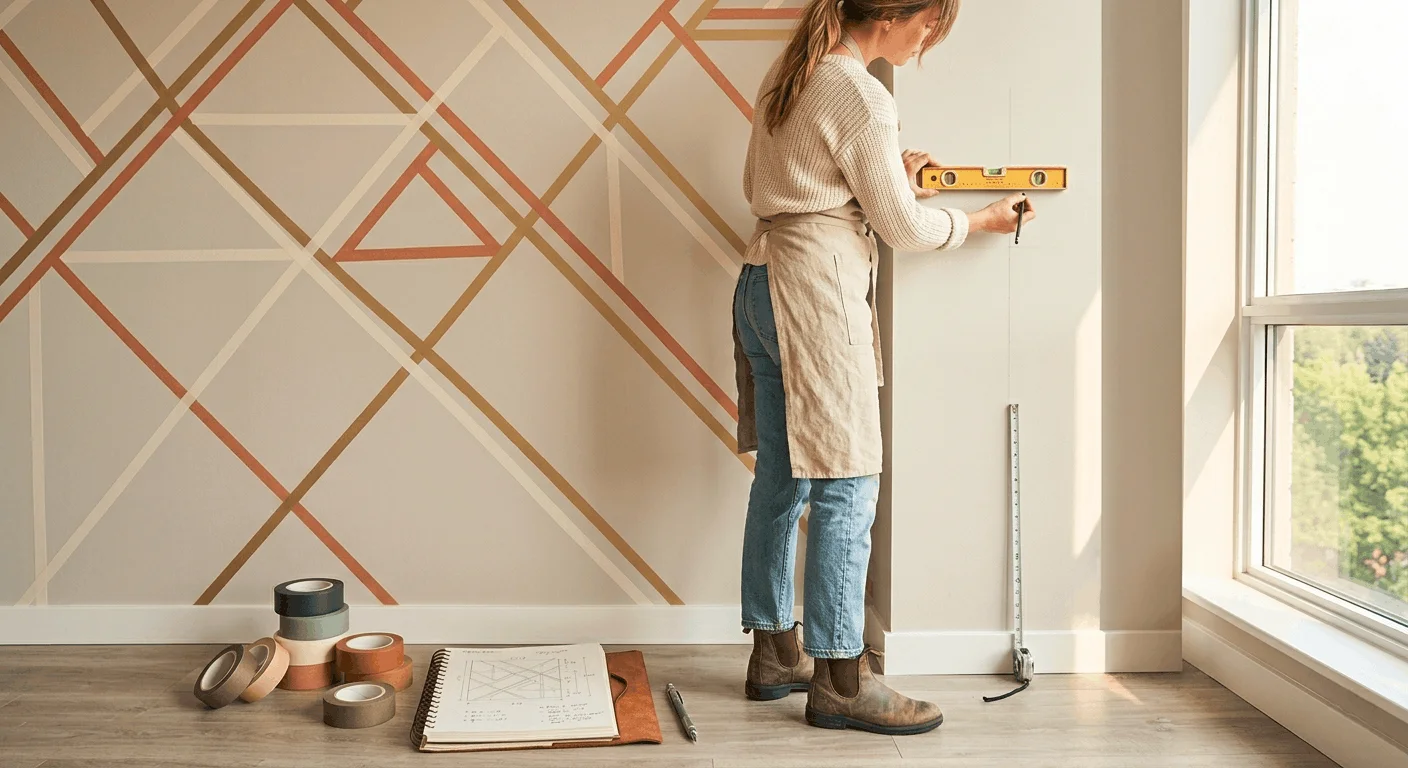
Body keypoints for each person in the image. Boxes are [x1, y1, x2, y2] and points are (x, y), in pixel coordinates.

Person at [734, 0, 1033, 736]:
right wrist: (980, 220)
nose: (927, 39)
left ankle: (775, 652)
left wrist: (892, 179)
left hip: (762, 282)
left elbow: (804, 185)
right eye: (929, 24)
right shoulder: (861, 93)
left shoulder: (792, 72)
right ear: (895, 13)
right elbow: (900, 226)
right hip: (814, 291)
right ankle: (842, 679)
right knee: (848, 480)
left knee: (784, 475)